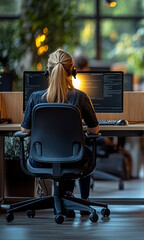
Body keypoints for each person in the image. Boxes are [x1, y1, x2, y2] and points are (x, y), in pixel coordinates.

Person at [21, 49, 99, 214]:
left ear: (47, 72)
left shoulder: (35, 97)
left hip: (40, 159)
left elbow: (24, 129)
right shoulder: (80, 97)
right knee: (84, 149)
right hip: (74, 160)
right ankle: (82, 201)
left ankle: (65, 197)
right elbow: (95, 130)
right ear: (73, 71)